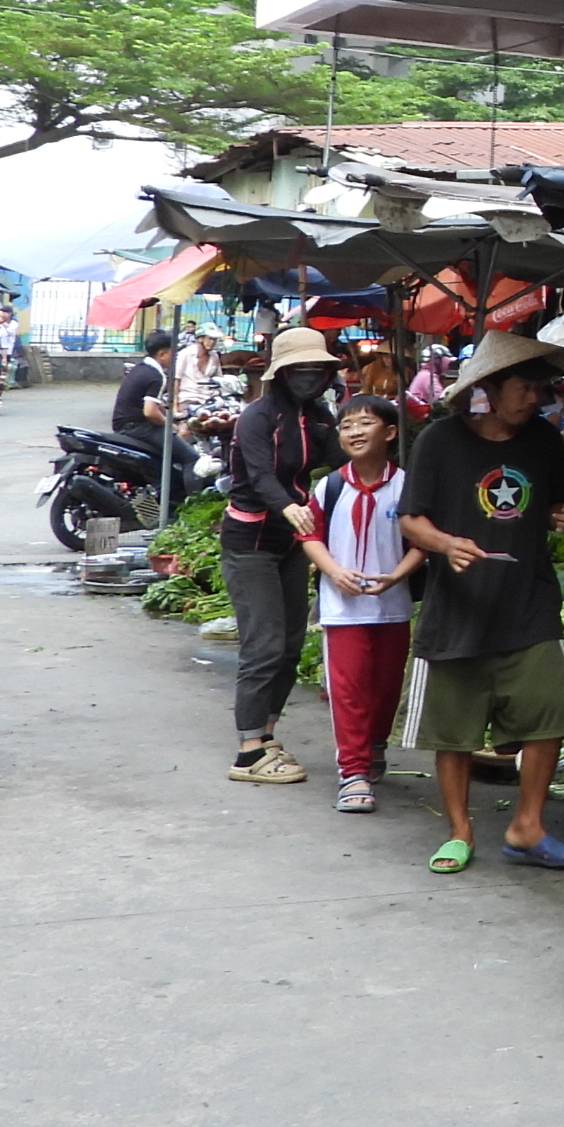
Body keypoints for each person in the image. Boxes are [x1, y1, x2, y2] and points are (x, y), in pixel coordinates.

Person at [398, 329, 564, 872]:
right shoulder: (440, 441)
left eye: (539, 390)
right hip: (456, 607)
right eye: (524, 388)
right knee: (453, 731)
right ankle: (460, 831)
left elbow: (552, 507)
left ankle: (527, 824)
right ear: (491, 389)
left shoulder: (544, 441)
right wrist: (446, 544)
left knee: (549, 718)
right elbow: (411, 519)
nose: (534, 399)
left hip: (528, 601)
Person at [221, 326, 346, 784]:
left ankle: (268, 733)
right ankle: (248, 751)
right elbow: (259, 475)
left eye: (319, 371)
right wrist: (288, 506)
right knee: (264, 646)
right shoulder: (257, 417)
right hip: (250, 542)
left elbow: (341, 461)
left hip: (295, 540)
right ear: (282, 373)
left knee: (292, 645)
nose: (310, 378)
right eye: (302, 371)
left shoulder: (319, 415)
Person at [295, 393, 422, 814]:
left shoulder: (407, 486)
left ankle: (375, 746)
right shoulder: (330, 486)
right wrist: (333, 572)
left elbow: (423, 539)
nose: (354, 432)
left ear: (388, 432)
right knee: (348, 690)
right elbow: (309, 536)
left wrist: (398, 576)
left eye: (364, 423)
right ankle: (353, 771)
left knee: (386, 688)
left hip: (392, 606)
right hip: (342, 608)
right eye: (346, 426)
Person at [109, 337, 202, 494]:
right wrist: (169, 425)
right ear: (162, 354)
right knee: (191, 458)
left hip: (125, 424)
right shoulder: (156, 376)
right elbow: (150, 412)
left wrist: (173, 416)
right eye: (174, 354)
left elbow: (156, 404)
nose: (175, 358)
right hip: (138, 427)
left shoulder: (140, 368)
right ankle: (193, 503)